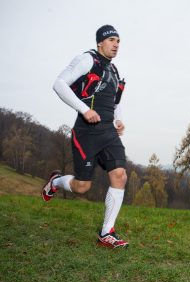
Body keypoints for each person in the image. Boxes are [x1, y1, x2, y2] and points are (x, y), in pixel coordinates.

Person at [42, 25, 128, 249]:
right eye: (111, 40)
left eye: (118, 41)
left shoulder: (114, 71)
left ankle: (106, 232)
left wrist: (118, 119)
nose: (116, 44)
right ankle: (55, 181)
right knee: (82, 187)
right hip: (86, 132)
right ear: (100, 42)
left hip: (109, 132)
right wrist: (84, 109)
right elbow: (59, 84)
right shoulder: (86, 59)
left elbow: (115, 101)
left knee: (120, 176)